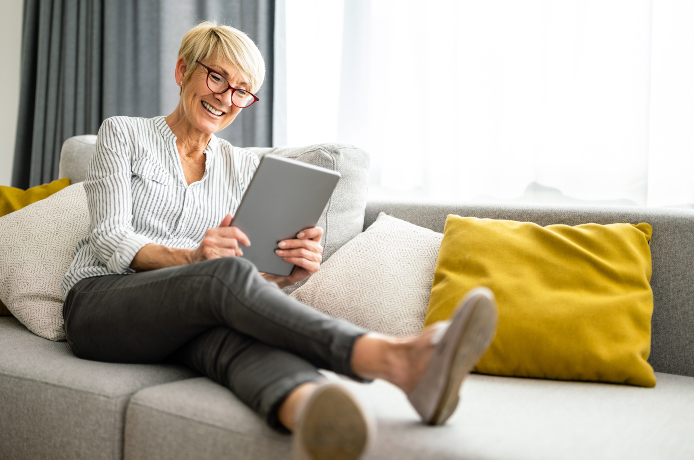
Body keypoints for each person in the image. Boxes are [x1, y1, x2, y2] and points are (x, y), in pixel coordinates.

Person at [61, 21, 497, 460]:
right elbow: (109, 238)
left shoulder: (240, 168)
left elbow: (238, 280)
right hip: (100, 302)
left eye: (241, 91)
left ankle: (308, 410)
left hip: (185, 312)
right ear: (182, 71)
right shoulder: (123, 134)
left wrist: (286, 274)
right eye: (216, 77)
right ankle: (387, 356)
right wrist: (195, 257)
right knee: (219, 277)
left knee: (229, 344)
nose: (226, 98)